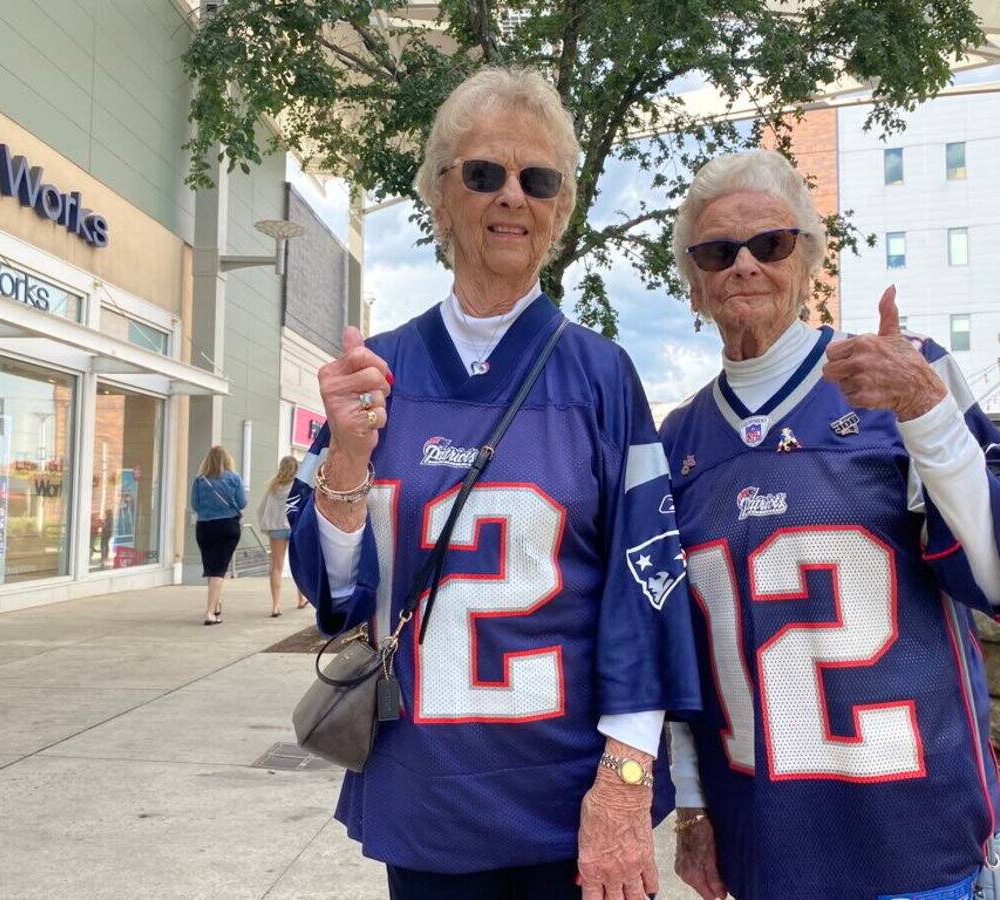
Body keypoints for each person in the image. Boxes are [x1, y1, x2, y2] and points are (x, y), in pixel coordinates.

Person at [286, 67, 701, 900]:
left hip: (566, 800)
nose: (512, 196)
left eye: (536, 179)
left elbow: (646, 587)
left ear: (560, 210)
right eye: (484, 174)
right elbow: (333, 598)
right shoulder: (378, 375)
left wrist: (624, 784)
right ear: (439, 198)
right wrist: (345, 463)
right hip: (426, 793)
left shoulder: (602, 377)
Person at [660, 149, 1000, 900]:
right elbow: (676, 651)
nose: (743, 265)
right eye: (717, 251)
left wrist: (928, 418)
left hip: (917, 842)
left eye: (769, 243)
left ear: (808, 258)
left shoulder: (902, 374)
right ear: (695, 283)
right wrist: (692, 808)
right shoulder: (677, 441)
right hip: (764, 844)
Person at [191, 445, 247, 625]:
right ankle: (210, 612)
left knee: (211, 567)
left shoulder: (200, 481)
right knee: (219, 570)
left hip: (205, 526)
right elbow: (242, 503)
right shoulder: (234, 478)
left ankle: (215, 605)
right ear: (227, 460)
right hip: (228, 526)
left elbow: (195, 504)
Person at [257, 455, 306, 616]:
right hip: (295, 528)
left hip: (277, 529)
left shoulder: (273, 487)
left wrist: (267, 527)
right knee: (299, 565)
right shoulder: (300, 487)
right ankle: (301, 598)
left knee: (276, 567)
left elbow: (263, 509)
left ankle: (276, 605)